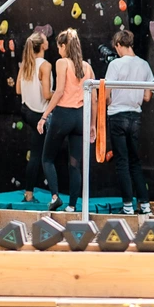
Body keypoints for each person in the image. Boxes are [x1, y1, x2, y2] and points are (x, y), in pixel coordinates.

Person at [37, 28, 97, 212]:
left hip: (63, 115)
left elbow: (60, 91)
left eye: (59, 47)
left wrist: (44, 115)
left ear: (64, 46)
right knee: (75, 164)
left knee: (47, 158)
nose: (58, 51)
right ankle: (72, 205)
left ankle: (55, 196)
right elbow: (94, 98)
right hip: (81, 118)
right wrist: (92, 124)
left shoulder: (62, 63)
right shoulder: (87, 67)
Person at [104, 30, 154, 215]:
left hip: (117, 114)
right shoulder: (144, 65)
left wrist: (111, 101)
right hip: (135, 115)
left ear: (118, 44)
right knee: (135, 161)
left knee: (122, 161)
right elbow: (148, 96)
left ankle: (127, 205)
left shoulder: (115, 65)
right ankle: (145, 203)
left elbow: (107, 94)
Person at [13, 32, 54, 203]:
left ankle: (31, 191)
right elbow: (46, 94)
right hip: (38, 114)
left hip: (26, 110)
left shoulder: (26, 64)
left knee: (38, 152)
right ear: (42, 45)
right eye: (45, 39)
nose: (47, 40)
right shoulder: (45, 65)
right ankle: (29, 193)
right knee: (38, 155)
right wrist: (61, 93)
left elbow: (18, 90)